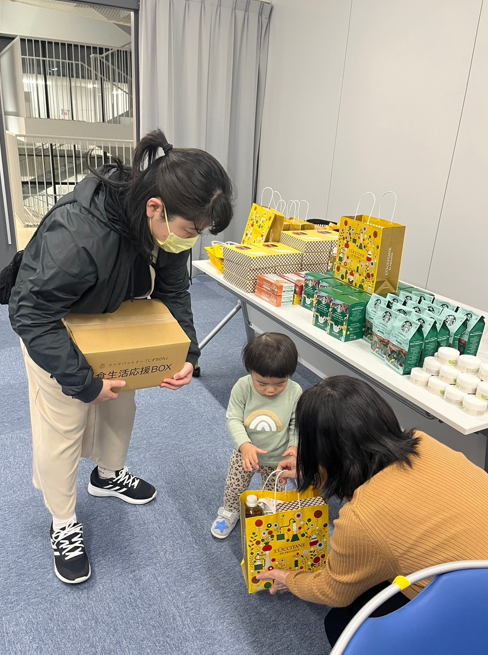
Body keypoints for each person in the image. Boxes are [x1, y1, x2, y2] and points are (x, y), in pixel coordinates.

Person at [9, 129, 234, 584]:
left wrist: (187, 352)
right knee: (63, 425)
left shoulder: (166, 228)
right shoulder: (78, 234)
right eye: (191, 231)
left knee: (121, 405)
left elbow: (173, 290)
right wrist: (84, 382)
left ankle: (108, 475)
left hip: (112, 323)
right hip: (54, 328)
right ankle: (62, 520)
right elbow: (29, 312)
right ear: (156, 208)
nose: (192, 240)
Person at [257, 376, 488, 648]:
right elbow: (371, 482)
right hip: (478, 571)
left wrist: (289, 579)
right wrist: (316, 469)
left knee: (342, 624)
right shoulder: (424, 442)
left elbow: (332, 591)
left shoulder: (360, 519)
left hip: (473, 611)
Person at [211, 333, 302, 539]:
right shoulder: (242, 387)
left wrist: (294, 446)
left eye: (280, 383)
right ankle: (229, 512)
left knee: (274, 495)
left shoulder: (295, 391)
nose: (271, 390)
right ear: (249, 370)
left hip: (278, 459)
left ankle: (269, 518)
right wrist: (244, 445)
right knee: (234, 487)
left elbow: (296, 424)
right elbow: (233, 418)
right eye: (262, 383)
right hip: (245, 454)